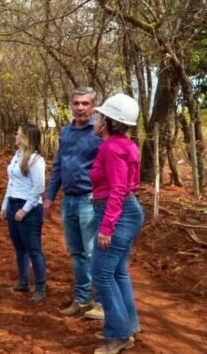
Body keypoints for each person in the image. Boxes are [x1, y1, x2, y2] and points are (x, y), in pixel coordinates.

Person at [44, 87, 104, 319]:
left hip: (90, 199)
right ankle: (82, 299)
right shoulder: (65, 132)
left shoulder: (99, 132)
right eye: (76, 103)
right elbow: (58, 165)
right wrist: (49, 197)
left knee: (92, 252)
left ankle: (100, 302)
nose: (80, 108)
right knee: (75, 252)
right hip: (68, 199)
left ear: (93, 106)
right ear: (71, 105)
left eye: (85, 103)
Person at [89, 94, 142, 354]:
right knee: (117, 271)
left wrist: (107, 227)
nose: (95, 119)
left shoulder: (112, 148)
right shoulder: (125, 144)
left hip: (117, 213)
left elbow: (118, 189)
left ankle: (119, 334)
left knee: (101, 273)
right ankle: (127, 326)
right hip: (125, 211)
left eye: (99, 116)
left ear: (108, 121)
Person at [0, 124, 47, 302]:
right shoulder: (17, 156)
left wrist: (25, 209)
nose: (15, 137)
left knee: (34, 249)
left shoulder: (35, 160)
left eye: (18, 135)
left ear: (26, 138)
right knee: (19, 248)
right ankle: (23, 281)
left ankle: (41, 287)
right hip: (13, 204)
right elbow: (11, 183)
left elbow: (38, 188)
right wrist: (5, 205)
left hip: (30, 209)